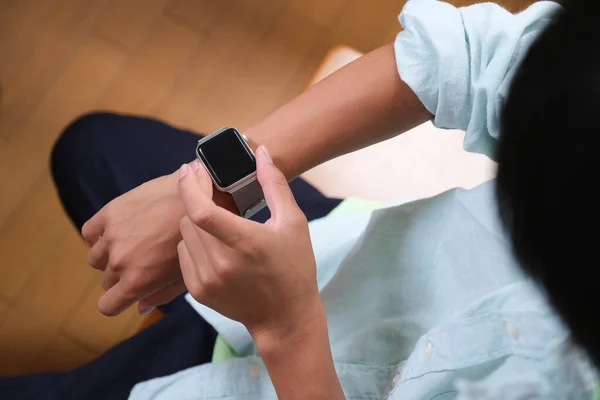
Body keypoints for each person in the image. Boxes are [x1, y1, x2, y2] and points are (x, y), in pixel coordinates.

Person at [1, 0, 597, 398]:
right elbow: (467, 58)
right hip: (343, 250)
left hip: (285, 363)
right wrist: (210, 185)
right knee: (92, 147)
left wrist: (286, 330)